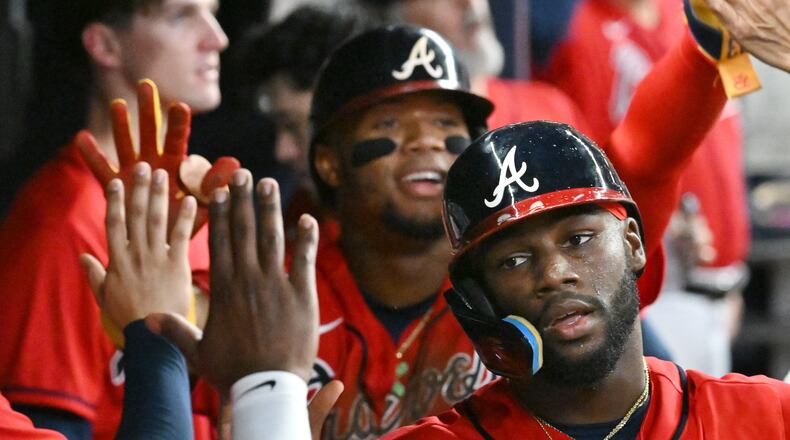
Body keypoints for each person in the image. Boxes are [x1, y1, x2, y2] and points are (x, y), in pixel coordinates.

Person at [303, 9, 732, 435]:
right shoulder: (279, 290)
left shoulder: (542, 267)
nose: (426, 141)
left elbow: (648, 152)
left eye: (444, 122)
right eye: (390, 123)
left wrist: (710, 42)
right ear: (329, 162)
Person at [385, 120, 790, 439]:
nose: (555, 274)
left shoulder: (771, 417)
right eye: (514, 260)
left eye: (578, 239)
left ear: (632, 243)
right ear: (479, 299)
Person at [0, 0, 229, 432]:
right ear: (105, 44)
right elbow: (48, 425)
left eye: (212, 12)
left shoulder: (196, 201)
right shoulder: (62, 222)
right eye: (181, 15)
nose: (217, 38)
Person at [531, 0, 751, 373]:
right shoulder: (571, 27)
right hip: (649, 281)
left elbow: (731, 135)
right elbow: (577, 166)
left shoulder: (698, 13)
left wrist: (732, 283)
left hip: (722, 287)